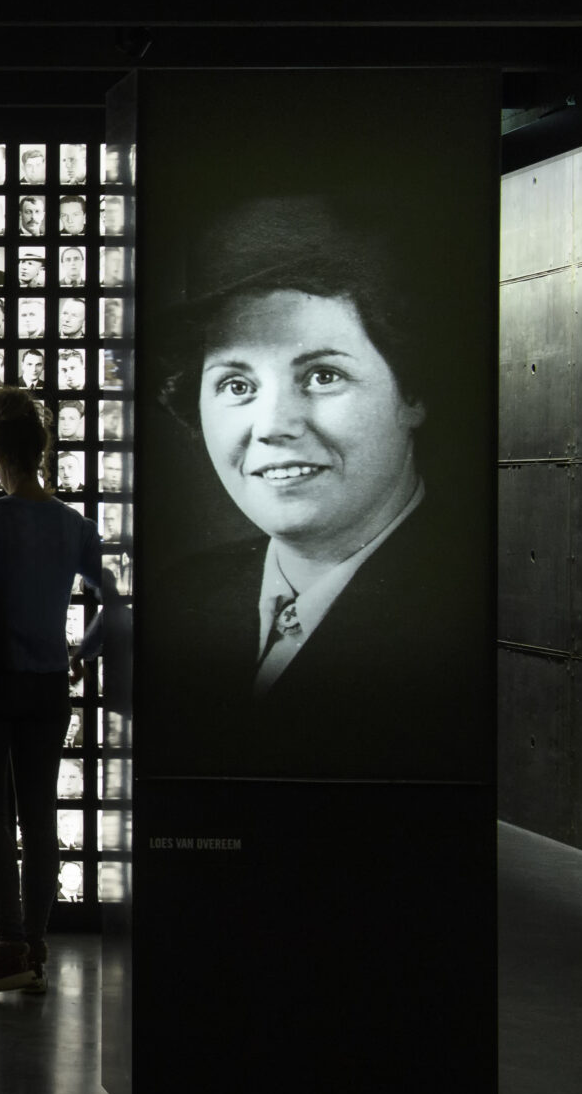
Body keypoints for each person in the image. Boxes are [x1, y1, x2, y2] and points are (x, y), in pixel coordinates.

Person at [149, 194, 464, 779]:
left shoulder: (461, 615)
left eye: (323, 375)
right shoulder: (182, 599)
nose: (271, 427)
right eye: (237, 384)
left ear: (412, 393)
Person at [0, 389, 122, 998]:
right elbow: (113, 606)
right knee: (40, 814)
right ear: (41, 453)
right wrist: (82, 653)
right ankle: (37, 948)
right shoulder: (75, 525)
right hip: (49, 684)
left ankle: (7, 943)